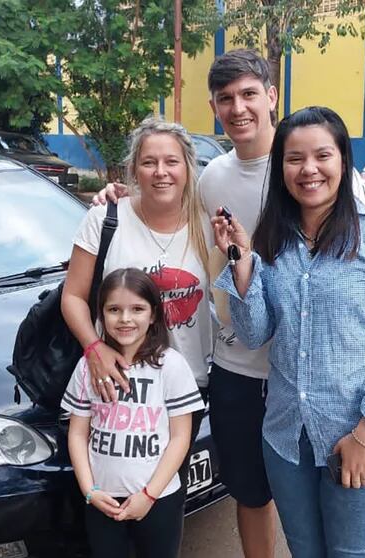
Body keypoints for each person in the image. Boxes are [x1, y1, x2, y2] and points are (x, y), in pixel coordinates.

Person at [93, 50, 365, 558]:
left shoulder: (313, 167)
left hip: (315, 375)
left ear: (272, 97)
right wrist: (116, 195)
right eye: (226, 99)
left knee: (325, 508)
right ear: (214, 107)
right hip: (237, 369)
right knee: (250, 493)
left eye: (250, 94)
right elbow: (167, 212)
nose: (239, 108)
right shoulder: (212, 179)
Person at [212, 105, 365, 557]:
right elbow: (255, 333)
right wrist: (243, 263)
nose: (308, 169)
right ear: (281, 170)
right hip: (287, 440)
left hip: (361, 443)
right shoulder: (273, 242)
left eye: (322, 155)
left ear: (343, 161)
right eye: (294, 159)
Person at [61, 116, 212, 447]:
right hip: (118, 377)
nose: (161, 172)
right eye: (149, 162)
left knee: (171, 488)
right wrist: (94, 347)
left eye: (171, 161)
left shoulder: (208, 224)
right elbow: (73, 296)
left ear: (187, 168)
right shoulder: (105, 218)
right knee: (118, 480)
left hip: (187, 383)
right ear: (134, 169)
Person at [62, 268, 205, 558]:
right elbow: (78, 433)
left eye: (137, 309)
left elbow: (180, 438)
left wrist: (149, 495)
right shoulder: (88, 367)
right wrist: (90, 491)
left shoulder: (171, 366)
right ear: (101, 314)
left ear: (153, 314)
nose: (125, 319)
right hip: (102, 500)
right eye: (114, 309)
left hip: (158, 499)